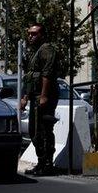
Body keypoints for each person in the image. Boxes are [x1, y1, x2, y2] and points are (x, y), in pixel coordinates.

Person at [20, 24, 59, 176]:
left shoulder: (47, 49)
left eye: (34, 34)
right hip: (34, 96)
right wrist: (25, 97)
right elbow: (30, 77)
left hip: (45, 97)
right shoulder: (34, 52)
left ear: (42, 35)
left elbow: (47, 74)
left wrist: (43, 95)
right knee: (34, 131)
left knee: (44, 131)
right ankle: (41, 162)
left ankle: (47, 164)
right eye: (29, 34)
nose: (30, 36)